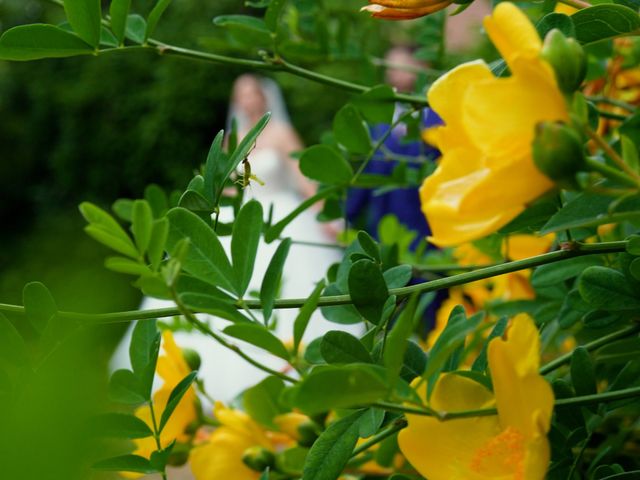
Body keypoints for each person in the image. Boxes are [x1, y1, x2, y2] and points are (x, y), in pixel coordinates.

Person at [112, 74, 361, 404]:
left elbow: (304, 180)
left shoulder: (281, 133)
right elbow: (227, 188)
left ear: (263, 97)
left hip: (280, 219)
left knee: (290, 288)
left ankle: (303, 369)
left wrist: (325, 217)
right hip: (240, 218)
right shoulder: (232, 140)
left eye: (251, 93)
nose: (246, 100)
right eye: (240, 94)